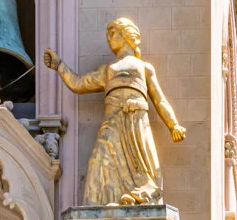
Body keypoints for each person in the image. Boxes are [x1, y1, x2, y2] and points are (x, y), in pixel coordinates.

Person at [44, 17, 186, 206]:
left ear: (126, 35)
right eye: (107, 34)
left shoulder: (144, 68)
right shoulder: (107, 70)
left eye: (113, 33)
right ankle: (97, 204)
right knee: (98, 160)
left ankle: (139, 197)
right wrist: (59, 65)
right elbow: (78, 83)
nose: (109, 38)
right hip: (112, 122)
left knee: (143, 164)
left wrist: (173, 124)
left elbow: (159, 99)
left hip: (136, 121)